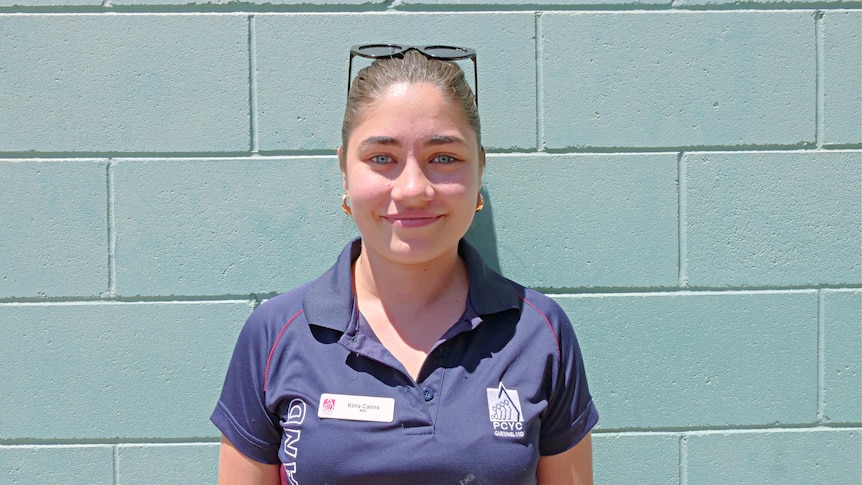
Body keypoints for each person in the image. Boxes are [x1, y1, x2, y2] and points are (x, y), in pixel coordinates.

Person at [212, 43, 599, 485]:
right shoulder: (274, 334)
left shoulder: (538, 332)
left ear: (479, 171)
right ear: (344, 170)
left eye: (444, 158)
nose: (413, 188)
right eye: (382, 158)